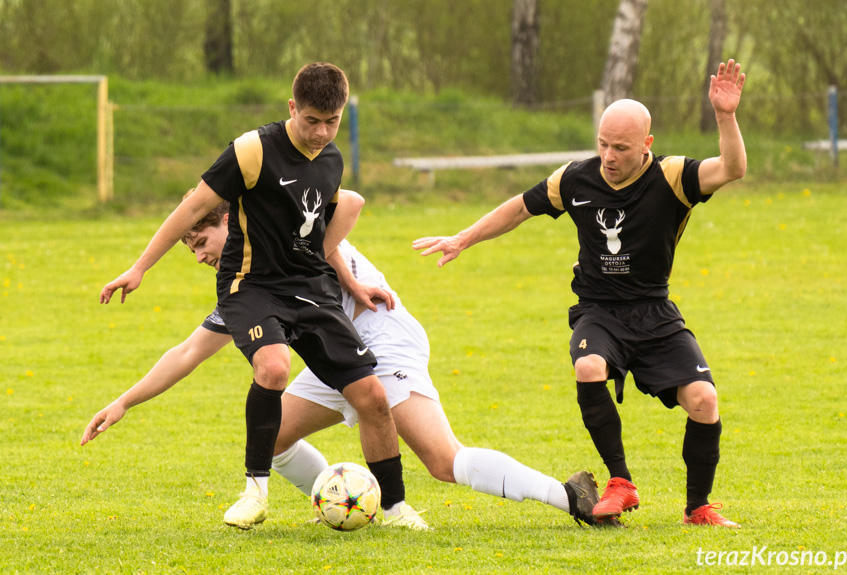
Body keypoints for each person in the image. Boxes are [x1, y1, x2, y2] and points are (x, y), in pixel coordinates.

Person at [84, 197, 615, 529]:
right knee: (271, 440)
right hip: (331, 354)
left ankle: (569, 496)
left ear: (231, 220)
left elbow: (343, 208)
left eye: (202, 240)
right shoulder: (245, 285)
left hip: (382, 342)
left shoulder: (288, 234)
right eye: (191, 249)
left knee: (441, 461)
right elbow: (187, 352)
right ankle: (349, 501)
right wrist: (124, 401)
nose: (199, 254)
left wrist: (352, 280)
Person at [413, 60, 747, 528]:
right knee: (589, 366)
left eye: (622, 148)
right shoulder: (575, 178)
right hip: (599, 311)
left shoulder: (673, 177)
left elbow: (732, 168)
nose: (609, 156)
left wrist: (725, 116)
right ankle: (620, 481)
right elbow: (519, 208)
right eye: (603, 144)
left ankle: (698, 509)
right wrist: (464, 237)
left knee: (704, 401)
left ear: (646, 145)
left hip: (653, 312)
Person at [98, 62, 413, 530]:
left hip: (309, 287)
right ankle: (255, 493)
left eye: (332, 122)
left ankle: (395, 509)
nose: (321, 132)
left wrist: (351, 283)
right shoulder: (252, 150)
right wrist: (139, 268)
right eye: (311, 121)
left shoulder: (330, 161)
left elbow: (323, 235)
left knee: (372, 396)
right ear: (292, 108)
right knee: (273, 365)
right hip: (252, 285)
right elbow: (192, 208)